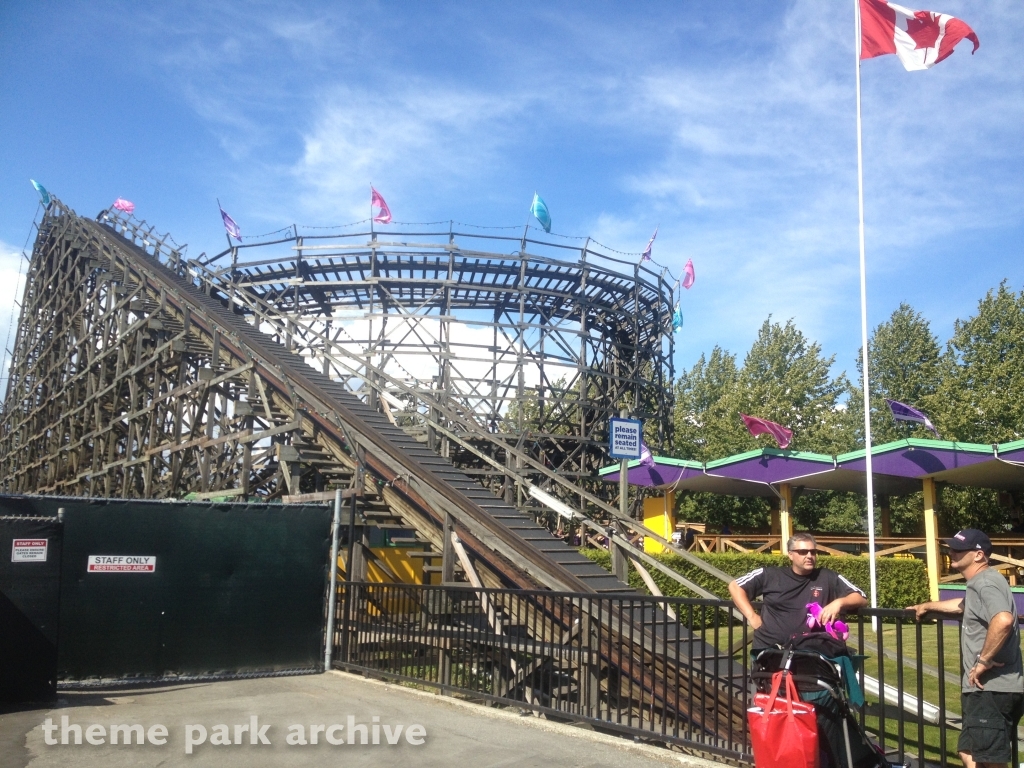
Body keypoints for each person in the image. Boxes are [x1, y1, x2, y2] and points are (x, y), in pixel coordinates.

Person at [908, 529, 1023, 768]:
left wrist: (983, 661)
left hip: (992, 687)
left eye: (958, 550)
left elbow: (1003, 620)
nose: (951, 553)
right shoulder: (980, 583)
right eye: (950, 548)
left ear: (979, 555)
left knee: (991, 761)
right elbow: (963, 606)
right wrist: (928, 605)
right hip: (984, 689)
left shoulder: (986, 581)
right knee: (968, 751)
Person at [729, 532, 867, 650]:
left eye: (813, 552)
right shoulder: (770, 574)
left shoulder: (827, 576)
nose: (809, 556)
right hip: (770, 650)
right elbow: (735, 586)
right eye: (802, 552)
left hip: (812, 653)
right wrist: (752, 617)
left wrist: (839, 602)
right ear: (790, 555)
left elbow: (861, 597)